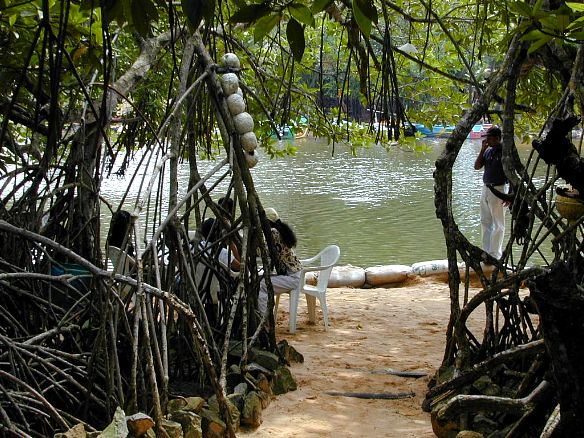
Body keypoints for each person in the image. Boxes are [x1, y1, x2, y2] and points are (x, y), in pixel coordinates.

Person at [258, 208, 303, 317]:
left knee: (262, 284)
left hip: (293, 278)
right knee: (261, 280)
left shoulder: (273, 232)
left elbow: (261, 252)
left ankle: (265, 319)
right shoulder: (280, 231)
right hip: (295, 275)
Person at [474, 126, 508, 260]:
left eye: (489, 138)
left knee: (498, 224)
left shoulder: (505, 152)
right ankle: (486, 252)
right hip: (486, 188)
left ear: (497, 138)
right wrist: (482, 149)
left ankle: (495, 255)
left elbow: (511, 173)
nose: (486, 140)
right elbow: (477, 166)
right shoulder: (488, 151)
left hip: (499, 189)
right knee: (485, 221)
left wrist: (510, 196)